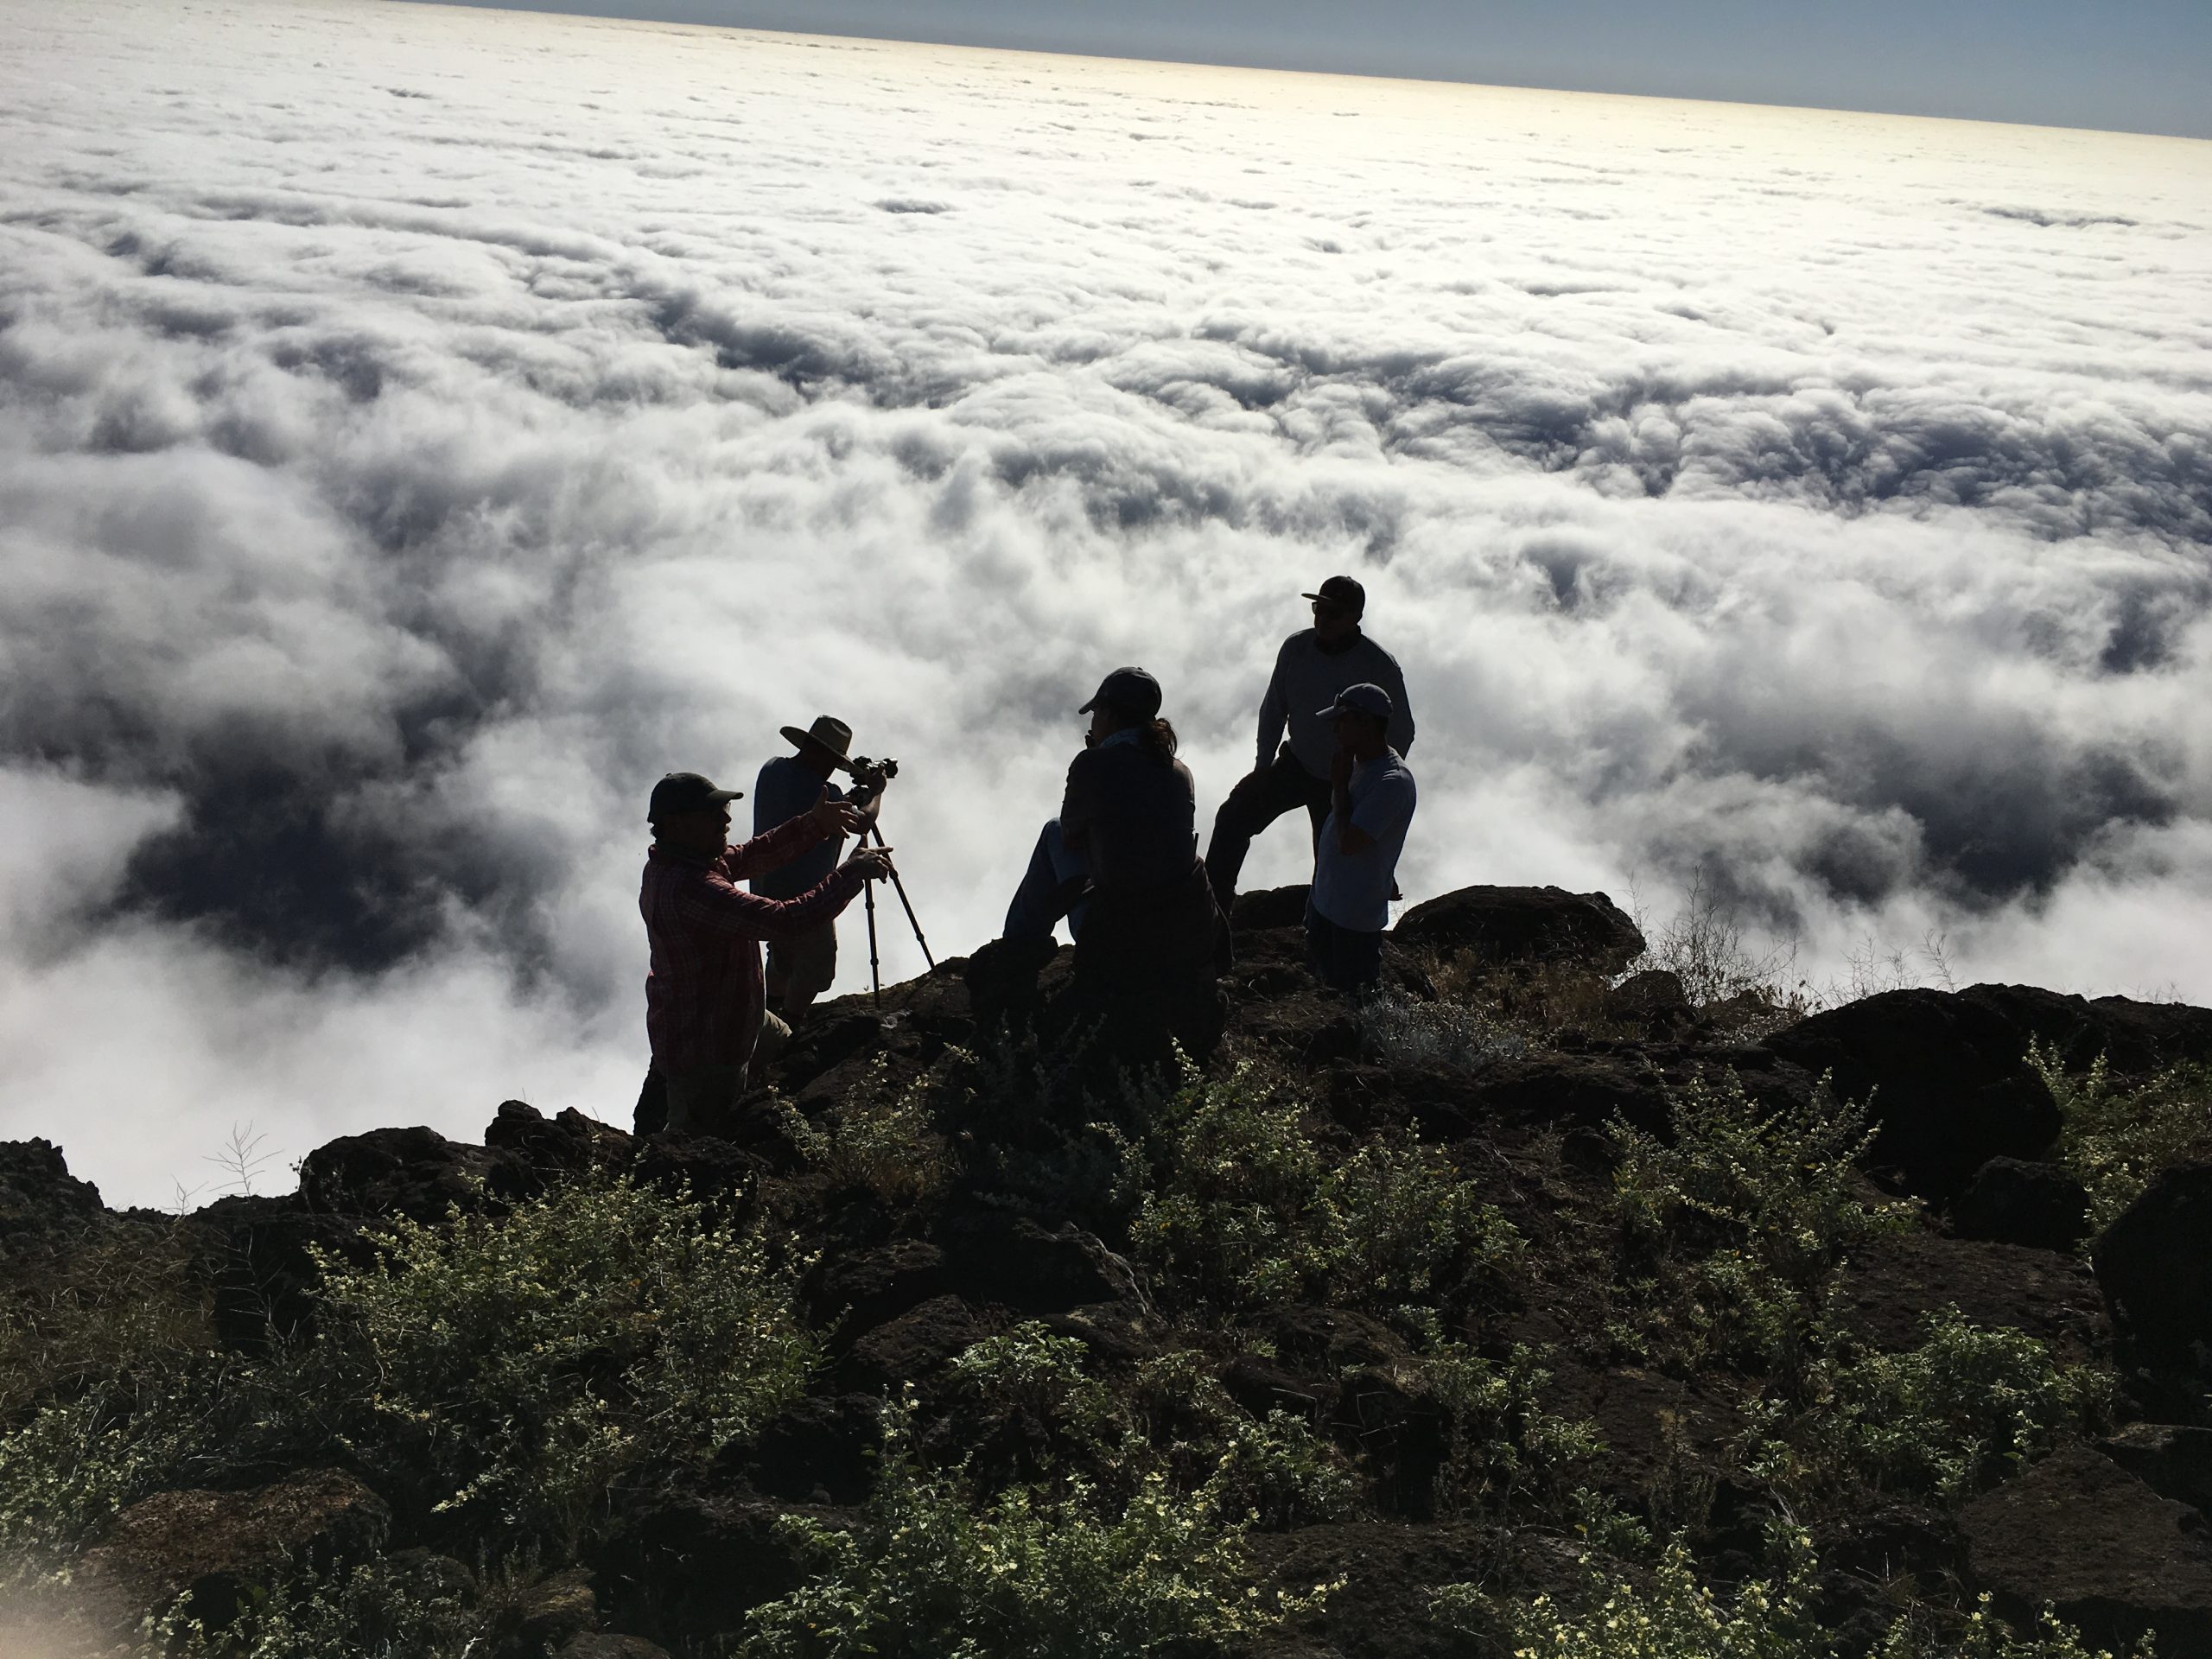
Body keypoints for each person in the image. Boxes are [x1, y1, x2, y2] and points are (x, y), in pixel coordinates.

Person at [639, 770, 893, 1135]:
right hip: (708, 1046)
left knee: (791, 1052)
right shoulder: (690, 888)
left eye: (723, 809)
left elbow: (751, 855)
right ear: (676, 824)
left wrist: (815, 825)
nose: (726, 819)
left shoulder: (686, 860)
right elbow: (786, 921)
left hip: (735, 1015)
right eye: (713, 813)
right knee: (699, 1140)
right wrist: (851, 873)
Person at [997, 666, 1224, 1028]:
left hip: (1125, 938)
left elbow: (1072, 835)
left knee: (1053, 833)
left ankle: (1017, 951)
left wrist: (1093, 763)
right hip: (1188, 934)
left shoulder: (1093, 763)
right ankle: (1019, 947)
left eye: (1096, 713)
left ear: (1109, 713)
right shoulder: (1180, 771)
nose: (1092, 723)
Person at [1203, 574, 1414, 916]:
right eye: (1318, 608)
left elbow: (1402, 730)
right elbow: (1274, 709)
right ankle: (1208, 916)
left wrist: (1368, 780)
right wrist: (1261, 768)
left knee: (1337, 861)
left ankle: (1331, 938)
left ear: (1354, 617)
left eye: (1333, 613)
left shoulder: (1378, 665)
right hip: (1296, 763)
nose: (1321, 619)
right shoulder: (1296, 648)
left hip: (1346, 778)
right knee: (1233, 817)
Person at [751, 716, 889, 1024]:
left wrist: (846, 799)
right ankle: (790, 1026)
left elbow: (804, 804)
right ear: (823, 755)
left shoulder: (773, 768)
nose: (832, 769)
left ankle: (767, 1012)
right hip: (806, 896)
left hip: (764, 884)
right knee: (818, 966)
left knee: (783, 953)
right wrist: (876, 792)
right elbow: (863, 822)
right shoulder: (828, 792)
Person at [1306, 683, 1416, 995]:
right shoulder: (1357, 765)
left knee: (1353, 1001)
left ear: (1366, 723)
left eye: (1343, 721)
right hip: (1325, 902)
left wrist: (1339, 787)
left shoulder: (1391, 782)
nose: (1335, 729)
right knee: (1321, 994)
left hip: (1352, 919)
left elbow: (1350, 842)